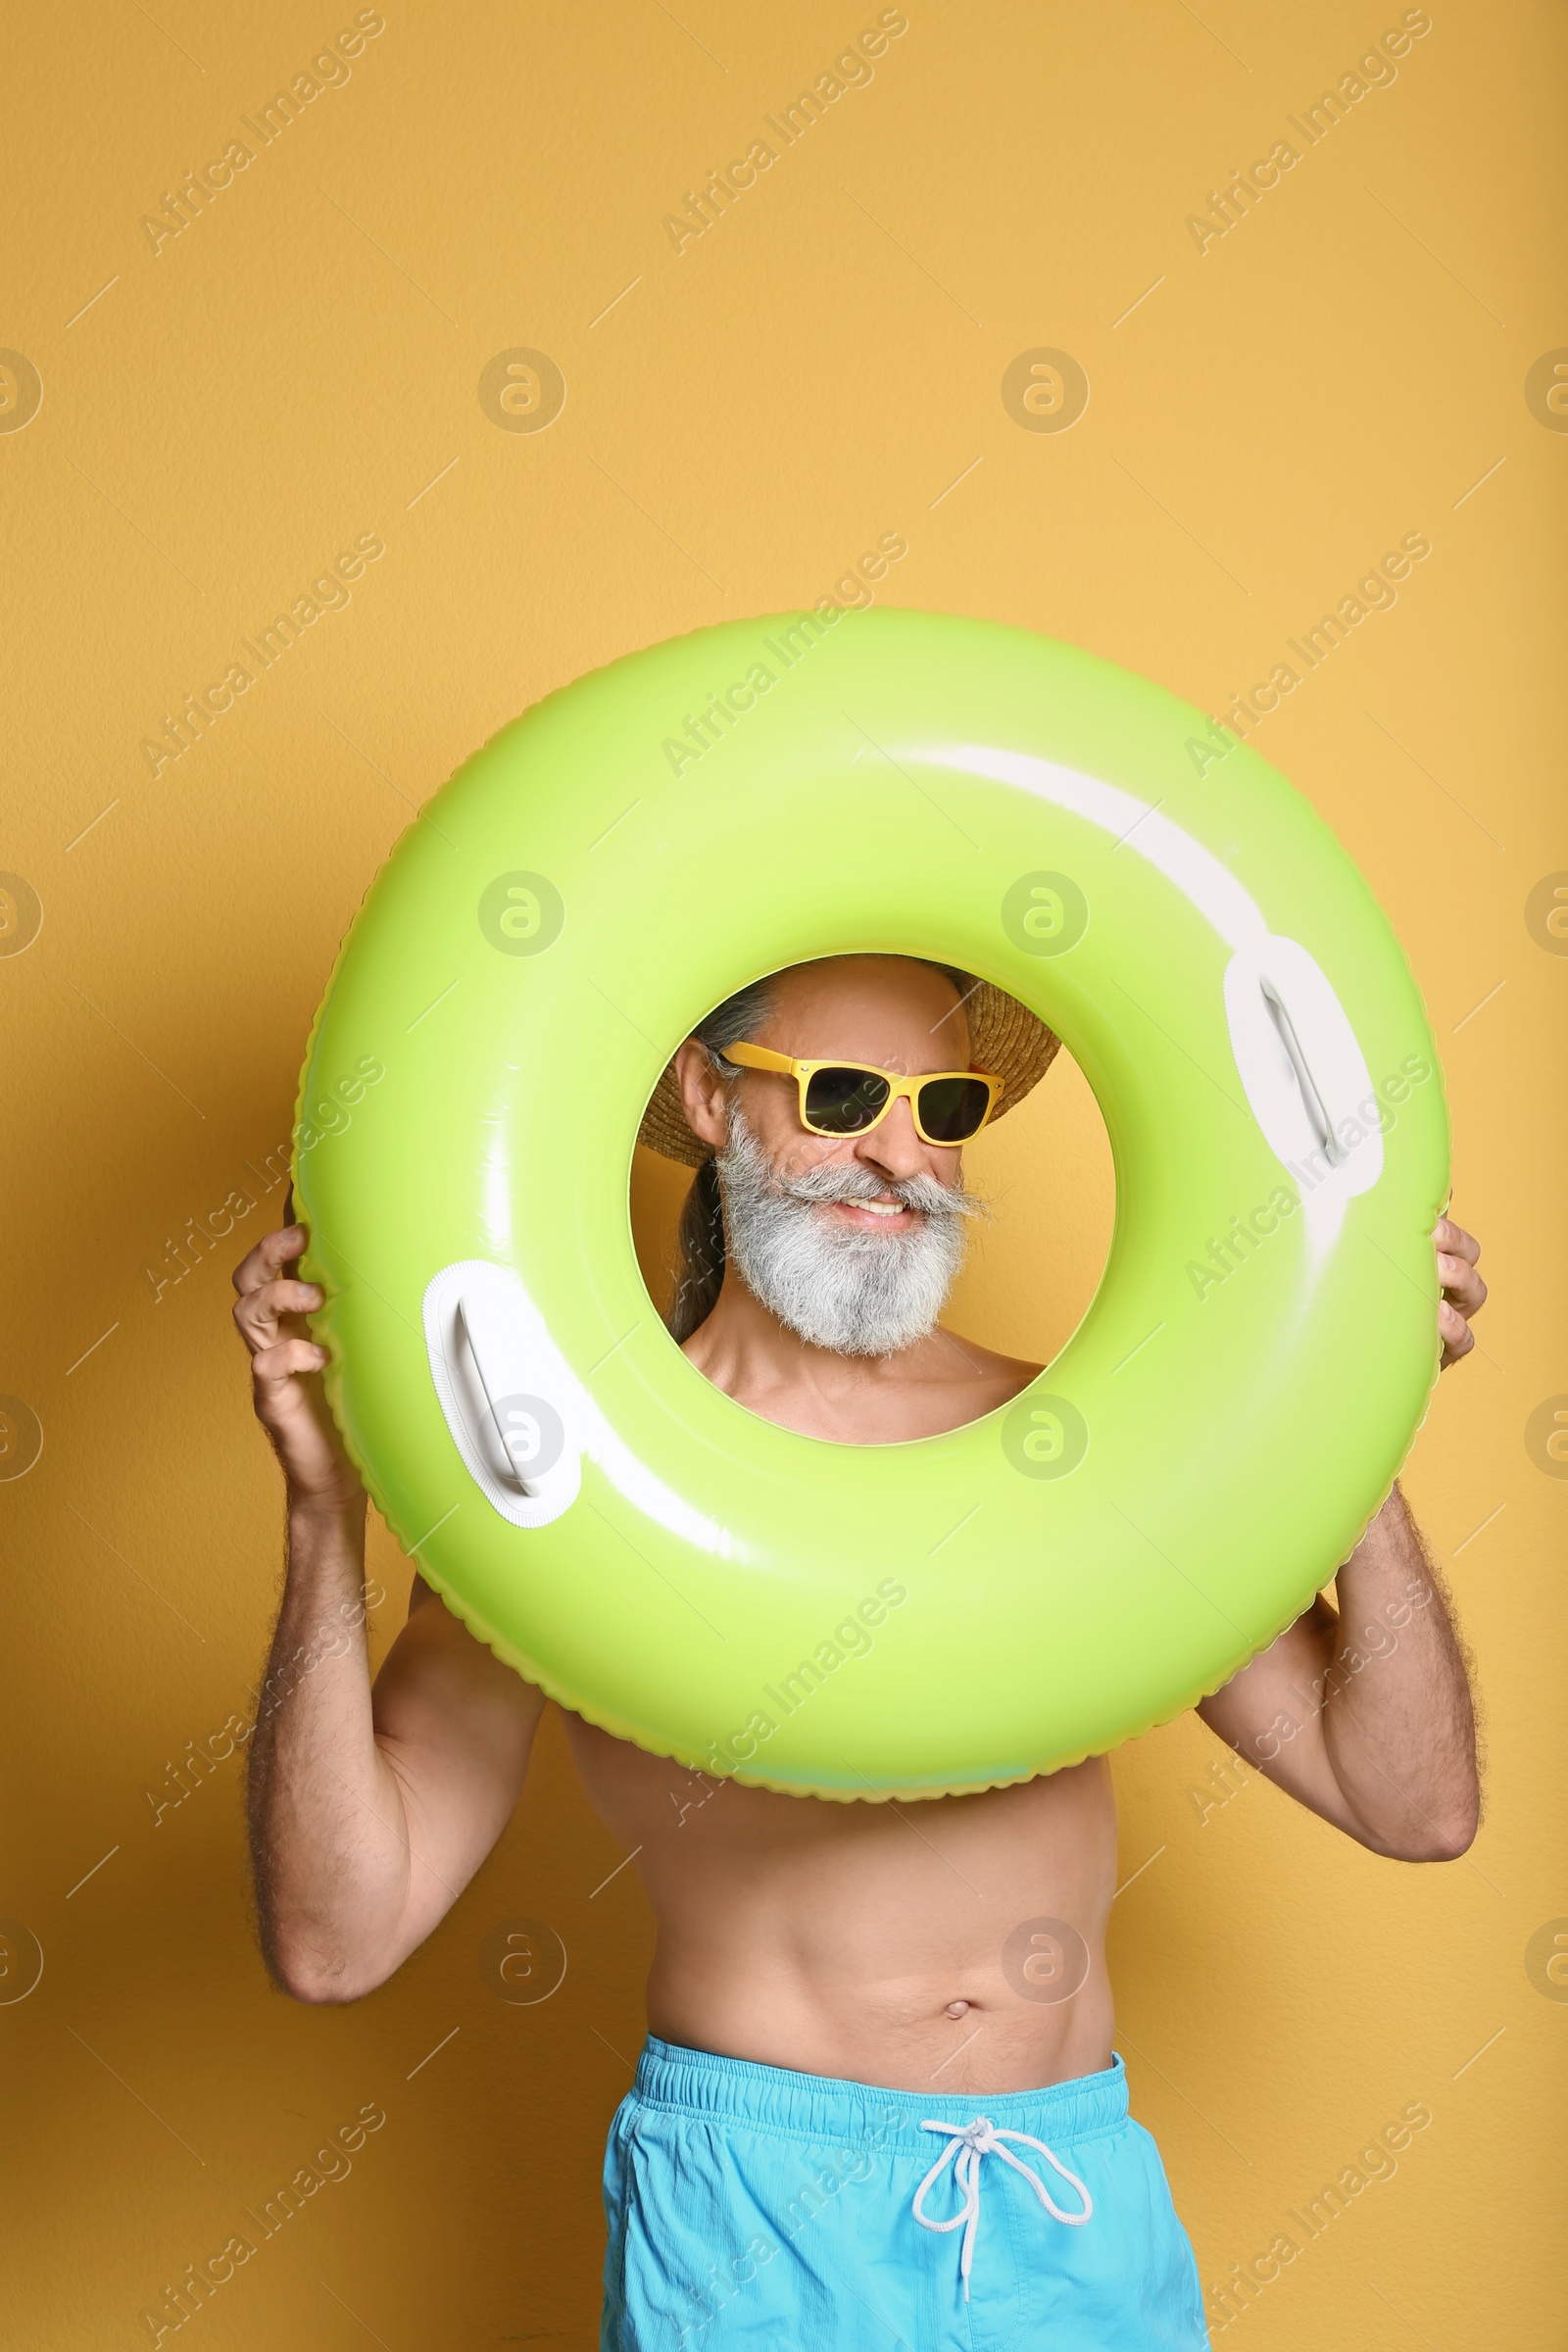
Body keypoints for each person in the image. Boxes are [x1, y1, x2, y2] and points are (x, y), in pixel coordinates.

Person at [234, 953, 1484, 2349]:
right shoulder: (572, 1490)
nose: (903, 1155)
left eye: (943, 1108)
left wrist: (1354, 1404)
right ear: (711, 1097)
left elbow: (1411, 1803)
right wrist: (324, 1509)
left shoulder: (1082, 1443)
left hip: (1071, 2207)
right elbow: (338, 1939)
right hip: (762, 2226)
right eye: (842, 1098)